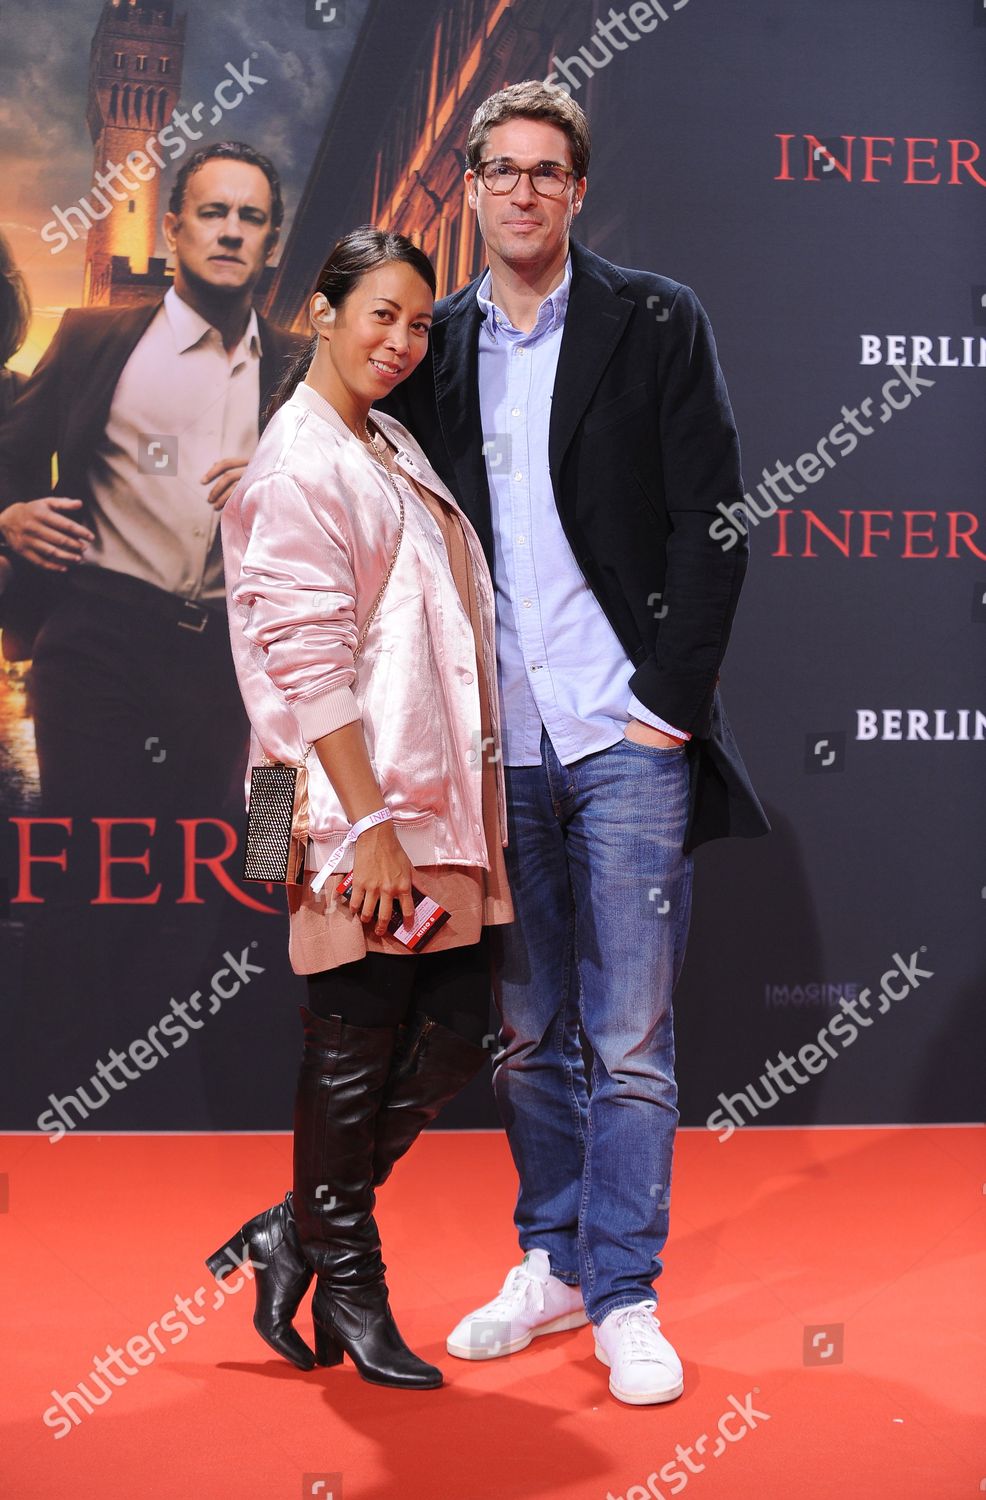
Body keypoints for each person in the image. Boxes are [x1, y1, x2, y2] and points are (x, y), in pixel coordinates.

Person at [378, 80, 770, 1405]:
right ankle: (548, 1258)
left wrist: (664, 707)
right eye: (502, 169)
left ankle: (623, 1291)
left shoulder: (654, 319)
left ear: (576, 190)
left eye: (548, 170)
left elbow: (713, 518)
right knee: (528, 1030)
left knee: (629, 1035)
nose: (524, 190)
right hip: (497, 747)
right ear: (473, 188)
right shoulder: (433, 344)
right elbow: (369, 497)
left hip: (621, 736)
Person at [208, 227, 513, 1390]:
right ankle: (348, 1276)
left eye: (418, 323)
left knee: (448, 1027)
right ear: (321, 313)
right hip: (346, 800)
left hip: (415, 793)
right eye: (379, 313)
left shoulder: (381, 440)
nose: (400, 340)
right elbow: (303, 664)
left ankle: (294, 1232)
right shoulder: (299, 463)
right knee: (355, 1033)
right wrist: (368, 826)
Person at [0, 141, 304, 821]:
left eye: (251, 217)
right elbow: (10, 454)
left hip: (237, 664)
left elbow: (352, 502)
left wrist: (280, 484)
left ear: (271, 242)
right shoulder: (89, 338)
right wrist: (8, 517)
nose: (231, 231)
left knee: (232, 865)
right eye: (213, 212)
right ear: (173, 228)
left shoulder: (301, 368)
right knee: (101, 864)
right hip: (98, 644)